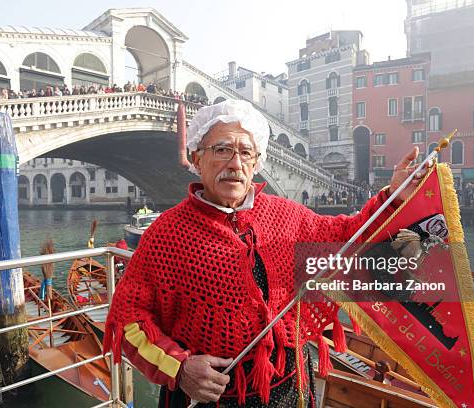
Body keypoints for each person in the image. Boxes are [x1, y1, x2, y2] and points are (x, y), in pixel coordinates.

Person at [104, 99, 428, 407]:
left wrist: (394, 197)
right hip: (208, 397)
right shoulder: (167, 233)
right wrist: (179, 367)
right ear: (197, 158)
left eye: (246, 152)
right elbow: (126, 320)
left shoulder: (286, 215)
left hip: (291, 388)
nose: (235, 163)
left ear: (257, 163)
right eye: (222, 149)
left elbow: (351, 236)